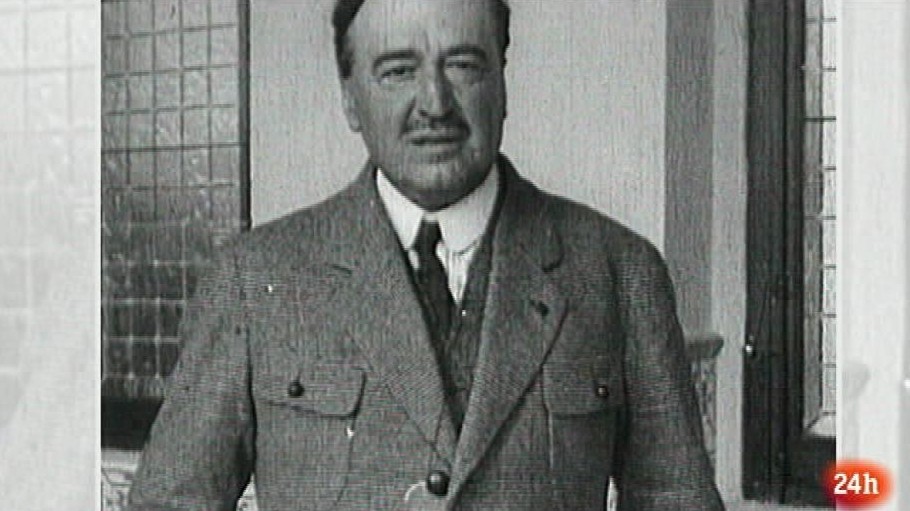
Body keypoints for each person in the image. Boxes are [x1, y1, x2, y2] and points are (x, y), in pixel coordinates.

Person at [128, 0, 725, 509]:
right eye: (398, 71)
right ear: (350, 99)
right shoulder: (252, 279)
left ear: (502, 83)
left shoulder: (618, 271)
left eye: (463, 64)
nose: (435, 103)